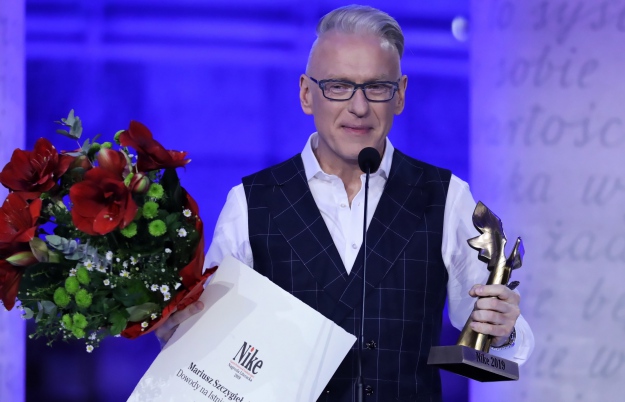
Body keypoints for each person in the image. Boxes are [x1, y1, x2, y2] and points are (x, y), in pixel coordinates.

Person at [156, 5, 534, 401]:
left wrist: (503, 331)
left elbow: (496, 346)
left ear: (400, 95)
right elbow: (208, 349)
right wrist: (178, 332)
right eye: (338, 86)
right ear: (307, 94)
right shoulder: (250, 203)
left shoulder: (446, 196)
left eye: (377, 87)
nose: (359, 107)